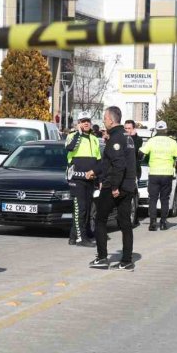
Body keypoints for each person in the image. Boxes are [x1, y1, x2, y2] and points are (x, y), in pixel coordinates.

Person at [90, 106, 136, 271]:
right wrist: (94, 171)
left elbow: (119, 165)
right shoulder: (127, 137)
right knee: (125, 223)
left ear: (111, 119)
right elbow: (109, 162)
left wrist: (115, 186)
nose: (103, 120)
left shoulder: (115, 139)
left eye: (104, 118)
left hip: (114, 186)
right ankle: (126, 261)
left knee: (100, 219)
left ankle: (102, 258)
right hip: (129, 185)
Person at [65, 114, 101, 247]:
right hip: (76, 178)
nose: (86, 123)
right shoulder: (72, 136)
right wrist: (78, 133)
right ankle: (81, 239)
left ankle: (73, 237)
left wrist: (98, 176)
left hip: (90, 178)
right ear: (78, 123)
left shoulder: (94, 139)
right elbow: (70, 148)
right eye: (83, 121)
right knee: (80, 209)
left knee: (86, 209)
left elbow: (98, 160)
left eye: (88, 121)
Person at [138, 120, 177, 231]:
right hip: (167, 174)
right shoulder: (172, 141)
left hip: (154, 173)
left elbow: (141, 153)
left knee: (152, 199)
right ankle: (163, 223)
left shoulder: (152, 141)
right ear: (166, 129)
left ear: (157, 130)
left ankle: (153, 223)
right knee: (164, 199)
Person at [124, 120, 144, 227]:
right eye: (125, 128)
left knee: (133, 194)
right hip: (123, 171)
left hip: (134, 171)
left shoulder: (138, 139)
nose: (127, 130)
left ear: (133, 129)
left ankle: (134, 218)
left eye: (129, 128)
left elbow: (135, 149)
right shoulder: (122, 138)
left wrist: (132, 136)